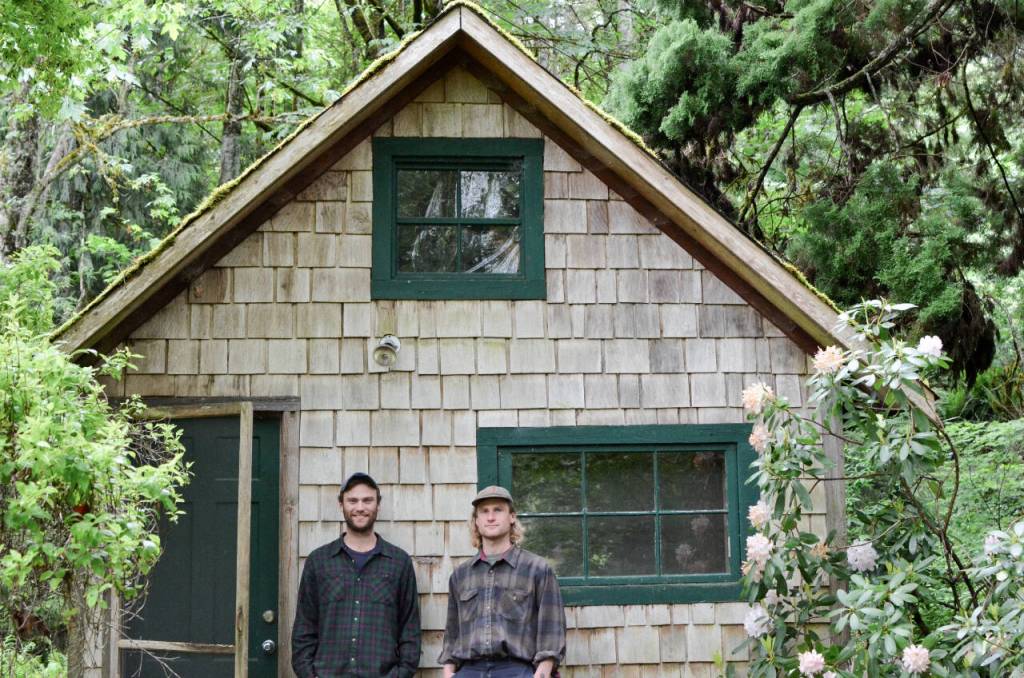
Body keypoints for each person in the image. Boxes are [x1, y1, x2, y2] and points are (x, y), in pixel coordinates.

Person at [292, 472, 420, 677]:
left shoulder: (399, 562)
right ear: (341, 504)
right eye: (352, 500)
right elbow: (304, 629)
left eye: (367, 500)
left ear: (378, 504)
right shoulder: (319, 561)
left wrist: (400, 674)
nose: (360, 507)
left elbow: (410, 631)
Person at [439, 486, 565, 678]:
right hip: (470, 670)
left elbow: (551, 628)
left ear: (512, 517)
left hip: (517, 669)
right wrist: (449, 673)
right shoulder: (461, 575)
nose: (491, 517)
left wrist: (542, 673)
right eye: (484, 511)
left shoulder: (537, 569)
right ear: (477, 521)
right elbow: (452, 633)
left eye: (498, 510)